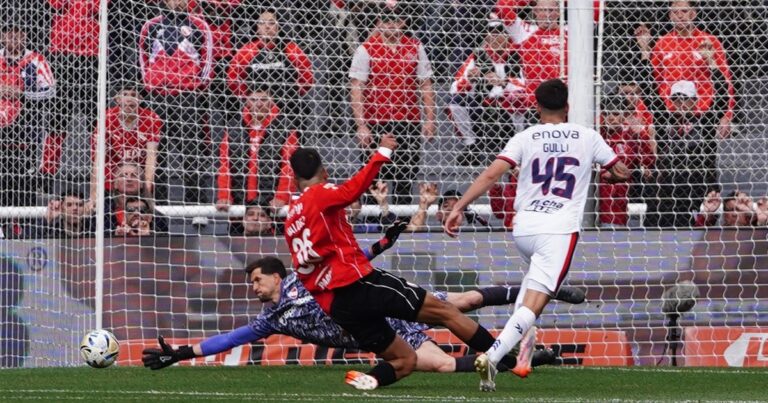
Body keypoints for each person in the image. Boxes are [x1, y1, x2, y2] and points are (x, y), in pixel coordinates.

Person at [142, 236, 586, 372]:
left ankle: (543, 290)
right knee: (445, 365)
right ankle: (534, 358)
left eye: (257, 279)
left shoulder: (304, 278)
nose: (254, 287)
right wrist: (184, 352)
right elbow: (231, 336)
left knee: (460, 302)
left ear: (277, 274)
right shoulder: (272, 318)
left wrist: (381, 243)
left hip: (382, 306)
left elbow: (352, 261)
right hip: (383, 335)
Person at [443, 79, 630, 391]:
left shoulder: (525, 137)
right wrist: (605, 173)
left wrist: (459, 206)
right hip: (558, 229)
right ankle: (492, 356)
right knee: (535, 303)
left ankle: (520, 360)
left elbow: (492, 173)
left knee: (529, 289)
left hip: (524, 227)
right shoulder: (588, 136)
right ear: (567, 106)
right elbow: (621, 171)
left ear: (537, 106)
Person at [283, 135, 501, 390]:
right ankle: (507, 357)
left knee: (405, 359)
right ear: (325, 172)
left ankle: (369, 379)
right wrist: (382, 152)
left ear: (294, 179)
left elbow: (306, 267)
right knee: (445, 311)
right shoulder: (321, 193)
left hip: (337, 305)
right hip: (357, 284)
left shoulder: (291, 218)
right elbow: (352, 189)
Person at [635, 23, 729, 228]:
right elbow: (647, 88)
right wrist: (645, 51)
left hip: (698, 190)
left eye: (685, 99)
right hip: (667, 192)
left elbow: (722, 96)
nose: (681, 104)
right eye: (676, 99)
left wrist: (711, 61)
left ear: (695, 101)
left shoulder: (705, 122)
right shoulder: (663, 120)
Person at [349, 8, 436, 204]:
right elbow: (356, 87)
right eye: (386, 19)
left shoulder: (415, 47)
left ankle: (400, 220)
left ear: (403, 21)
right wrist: (361, 124)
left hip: (408, 120)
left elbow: (426, 84)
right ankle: (372, 221)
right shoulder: (366, 48)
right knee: (372, 173)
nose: (391, 24)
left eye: (396, 19)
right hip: (376, 120)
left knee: (406, 173)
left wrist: (430, 119)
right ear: (379, 21)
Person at [138, 0, 214, 206]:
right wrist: (150, 85)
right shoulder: (150, 25)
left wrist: (195, 86)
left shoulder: (199, 25)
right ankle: (157, 207)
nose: (178, 1)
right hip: (157, 97)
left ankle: (196, 204)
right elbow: (143, 58)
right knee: (156, 154)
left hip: (187, 97)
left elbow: (208, 60)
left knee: (191, 153)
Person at [448, 15, 526, 166]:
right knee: (455, 102)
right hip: (483, 105)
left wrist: (504, 83)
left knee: (519, 99)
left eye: (500, 31)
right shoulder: (478, 55)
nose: (496, 36)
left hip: (508, 104)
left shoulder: (519, 54)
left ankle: (520, 145)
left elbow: (527, 86)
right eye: (491, 32)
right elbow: (454, 87)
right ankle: (472, 146)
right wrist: (469, 80)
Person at [650, 0, 735, 138]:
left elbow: (726, 79)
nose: (679, 16)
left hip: (705, 113)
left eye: (684, 11)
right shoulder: (662, 43)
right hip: (669, 114)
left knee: (704, 155)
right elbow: (653, 82)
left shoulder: (709, 41)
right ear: (670, 16)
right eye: (674, 12)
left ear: (693, 13)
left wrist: (727, 114)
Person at [226, 8, 314, 129]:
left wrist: (290, 94)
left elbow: (307, 78)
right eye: (262, 23)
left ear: (278, 27)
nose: (267, 27)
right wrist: (251, 98)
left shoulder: (291, 49)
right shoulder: (247, 51)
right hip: (258, 109)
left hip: (288, 107)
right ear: (257, 28)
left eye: (272, 23)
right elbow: (232, 79)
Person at [214, 88, 299, 212]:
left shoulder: (285, 128)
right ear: (247, 102)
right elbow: (224, 166)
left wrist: (282, 196)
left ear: (272, 101)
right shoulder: (234, 128)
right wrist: (224, 196)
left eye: (264, 99)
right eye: (253, 99)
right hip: (239, 201)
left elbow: (289, 167)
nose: (259, 104)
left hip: (271, 203)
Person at [0, 24, 55, 207]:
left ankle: (24, 228)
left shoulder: (36, 60)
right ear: (2, 36)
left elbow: (50, 91)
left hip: (26, 131)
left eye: (18, 33)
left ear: (25, 36)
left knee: (23, 181)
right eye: (9, 33)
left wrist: (21, 95)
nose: (13, 37)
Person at [89, 85, 162, 205]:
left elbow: (151, 157)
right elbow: (98, 159)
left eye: (134, 95)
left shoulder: (152, 118)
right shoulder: (106, 118)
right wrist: (93, 196)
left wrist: (147, 192)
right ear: (117, 99)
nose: (129, 98)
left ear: (140, 99)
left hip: (139, 173)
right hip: (112, 173)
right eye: (125, 94)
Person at [26, 190, 95, 239]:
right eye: (69, 205)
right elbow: (26, 240)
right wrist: (47, 219)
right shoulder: (52, 231)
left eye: (79, 205)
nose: (75, 208)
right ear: (61, 208)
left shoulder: (92, 229)